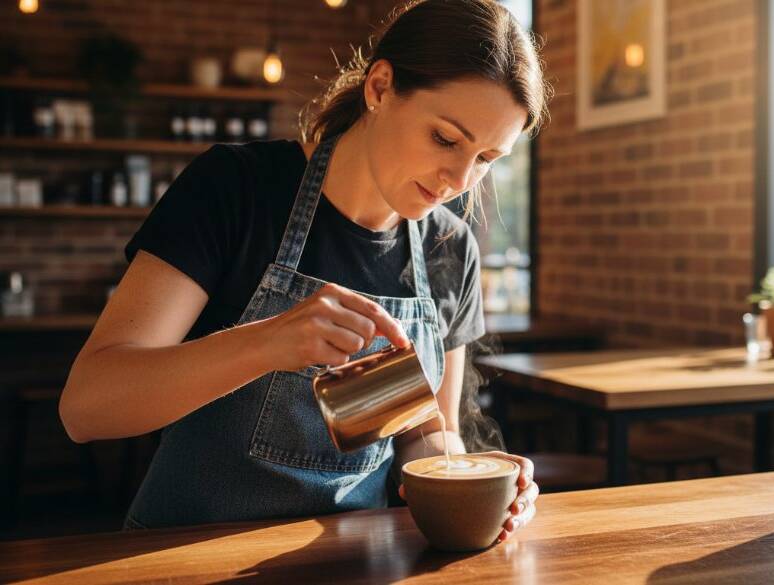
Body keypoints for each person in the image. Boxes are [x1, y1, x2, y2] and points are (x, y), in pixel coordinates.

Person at [59, 0, 551, 542]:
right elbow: (87, 408)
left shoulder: (450, 249)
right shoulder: (236, 189)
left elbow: (425, 434)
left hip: (350, 561)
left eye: (486, 159)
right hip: (180, 558)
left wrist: (469, 483)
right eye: (445, 139)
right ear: (380, 87)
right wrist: (266, 343)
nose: (459, 179)